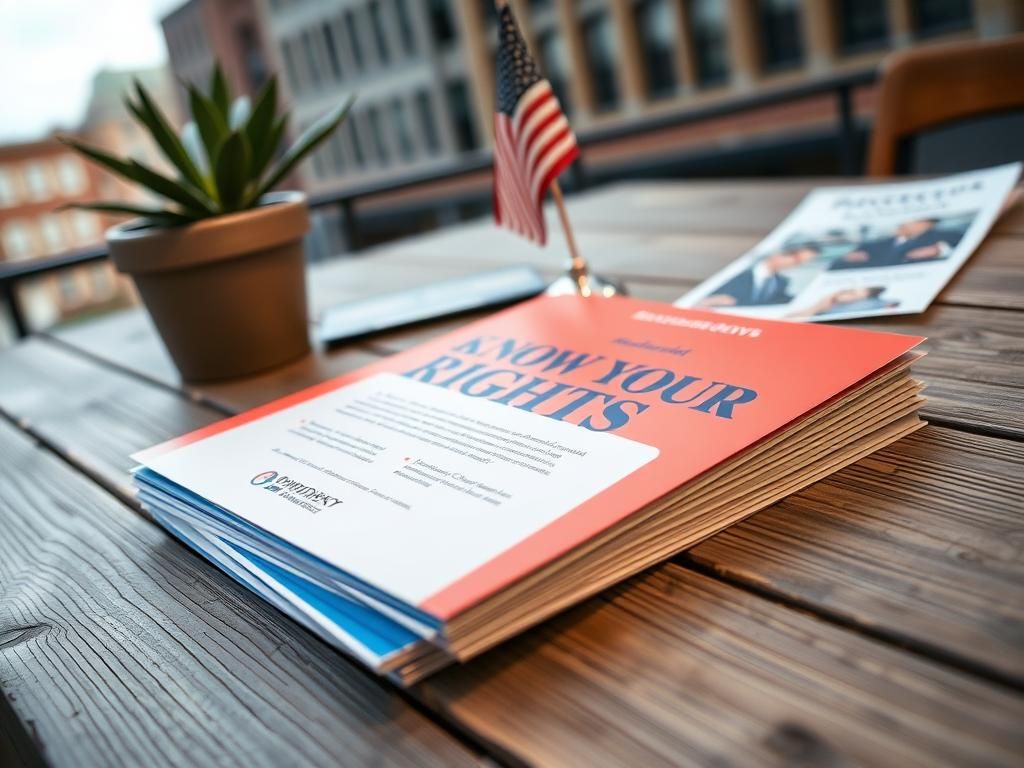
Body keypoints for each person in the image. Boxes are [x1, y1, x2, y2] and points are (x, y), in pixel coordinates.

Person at [697, 245, 818, 308]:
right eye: (796, 259)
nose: (797, 264)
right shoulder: (737, 273)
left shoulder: (782, 282)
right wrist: (709, 300)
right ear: (779, 254)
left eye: (801, 262)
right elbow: (701, 299)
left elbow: (780, 300)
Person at [829, 218, 962, 271]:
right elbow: (836, 265)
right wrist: (846, 259)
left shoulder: (945, 237)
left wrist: (941, 250)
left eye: (926, 222)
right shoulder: (873, 245)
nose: (925, 225)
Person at [789, 286, 899, 319]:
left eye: (853, 295)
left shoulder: (869, 303)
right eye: (850, 292)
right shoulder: (826, 303)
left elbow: (892, 302)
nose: (849, 296)